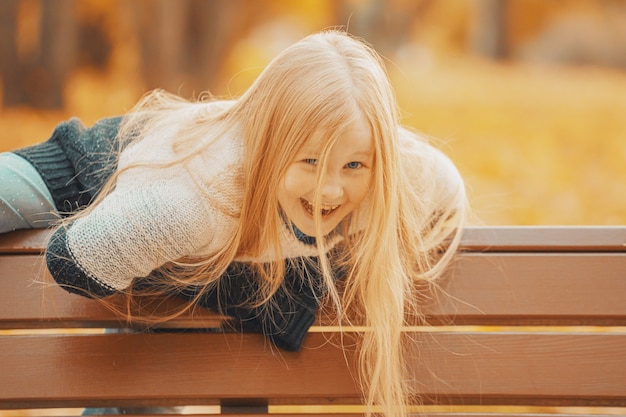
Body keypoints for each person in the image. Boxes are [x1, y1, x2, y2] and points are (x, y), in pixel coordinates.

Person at [0, 30, 467, 417]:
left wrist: (307, 280)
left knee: (141, 373)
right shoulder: (200, 202)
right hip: (96, 171)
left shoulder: (402, 181)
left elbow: (447, 198)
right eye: (309, 160)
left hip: (179, 273)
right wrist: (215, 266)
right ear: (267, 147)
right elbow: (71, 264)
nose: (330, 191)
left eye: (354, 166)